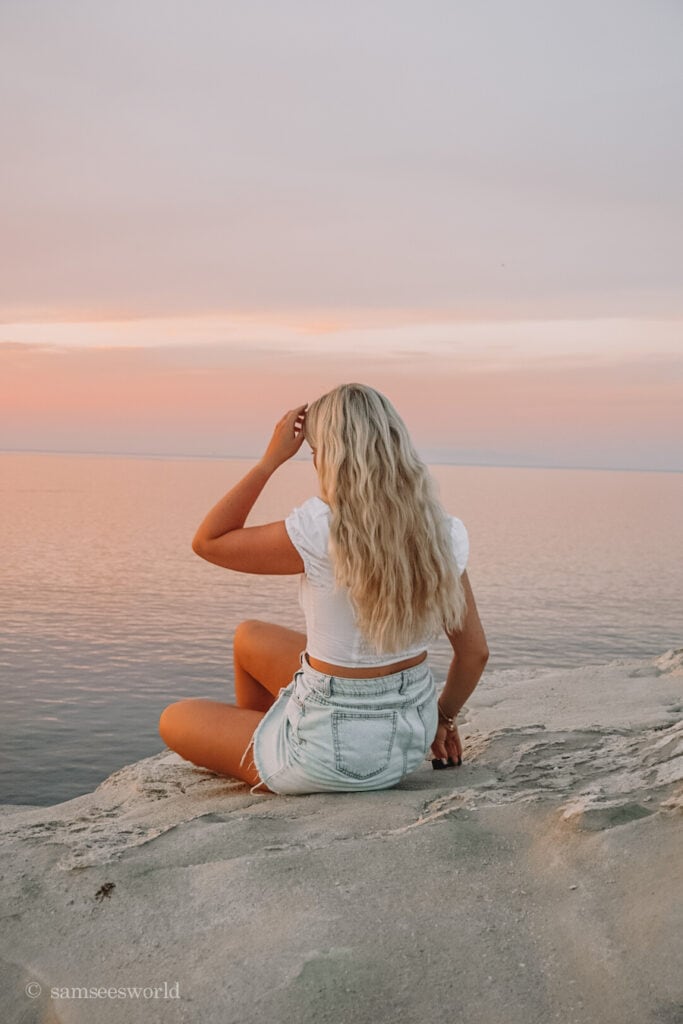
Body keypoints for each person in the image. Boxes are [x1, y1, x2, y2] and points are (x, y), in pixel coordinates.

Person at [159, 383, 488, 794]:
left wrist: (270, 461)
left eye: (314, 453)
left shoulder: (321, 528)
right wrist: (443, 718)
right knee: (249, 637)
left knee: (173, 717)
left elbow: (209, 542)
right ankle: (271, 737)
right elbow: (474, 653)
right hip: (408, 742)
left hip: (329, 755)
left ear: (331, 455)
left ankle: (278, 757)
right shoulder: (444, 531)